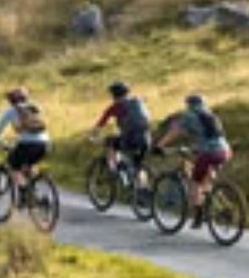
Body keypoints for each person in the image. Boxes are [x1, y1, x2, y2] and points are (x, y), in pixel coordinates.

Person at [154, 93, 233, 227]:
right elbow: (212, 137)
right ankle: (219, 203)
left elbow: (175, 132)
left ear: (189, 105)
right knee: (206, 176)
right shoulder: (211, 115)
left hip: (209, 152)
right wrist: (195, 148)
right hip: (225, 151)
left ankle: (198, 216)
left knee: (195, 182)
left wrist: (160, 145)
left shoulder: (189, 115)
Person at [0, 86, 50, 200]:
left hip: (27, 145)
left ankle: (24, 191)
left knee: (12, 166)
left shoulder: (10, 111)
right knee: (29, 165)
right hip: (44, 144)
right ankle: (34, 193)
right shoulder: (34, 107)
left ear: (11, 101)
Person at [93, 80, 153, 185]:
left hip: (130, 139)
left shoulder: (115, 107)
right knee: (138, 165)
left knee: (111, 143)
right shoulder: (137, 101)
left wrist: (95, 136)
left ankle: (113, 171)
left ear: (113, 94)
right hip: (146, 138)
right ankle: (143, 190)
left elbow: (101, 123)